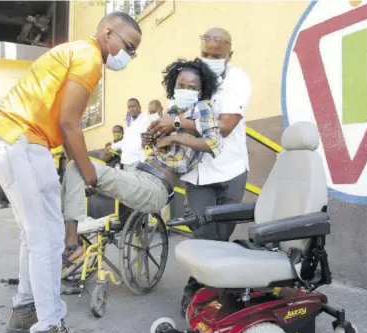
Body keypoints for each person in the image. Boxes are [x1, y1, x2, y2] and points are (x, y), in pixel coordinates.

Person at [0, 11, 142, 333]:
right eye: (128, 46)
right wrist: (90, 174)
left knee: (33, 234)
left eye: (134, 51)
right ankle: (50, 331)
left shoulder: (73, 52)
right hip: (21, 140)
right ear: (107, 32)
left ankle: (25, 309)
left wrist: (81, 167)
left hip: (8, 138)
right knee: (49, 238)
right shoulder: (88, 57)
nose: (128, 55)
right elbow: (69, 123)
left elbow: (63, 122)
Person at [61, 58, 221, 265]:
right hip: (139, 173)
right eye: (181, 85)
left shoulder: (202, 108)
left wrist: (174, 136)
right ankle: (67, 235)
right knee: (74, 174)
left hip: (155, 186)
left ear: (200, 91)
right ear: (173, 85)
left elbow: (213, 142)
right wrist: (151, 139)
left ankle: (71, 244)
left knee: (77, 167)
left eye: (192, 87)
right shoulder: (172, 112)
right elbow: (157, 144)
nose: (185, 90)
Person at [148, 27, 252, 315]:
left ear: (229, 54)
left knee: (222, 235)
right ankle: (196, 291)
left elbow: (226, 125)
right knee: (203, 235)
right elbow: (172, 119)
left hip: (230, 169)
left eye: (217, 56)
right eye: (206, 54)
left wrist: (178, 125)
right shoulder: (191, 81)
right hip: (197, 174)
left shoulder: (237, 80)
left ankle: (217, 294)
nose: (210, 59)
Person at [111, 98, 151, 171]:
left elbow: (146, 140)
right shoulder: (130, 123)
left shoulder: (146, 119)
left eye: (133, 106)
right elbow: (126, 141)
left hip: (137, 161)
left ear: (139, 107)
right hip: (127, 162)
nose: (131, 109)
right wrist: (112, 146)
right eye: (129, 107)